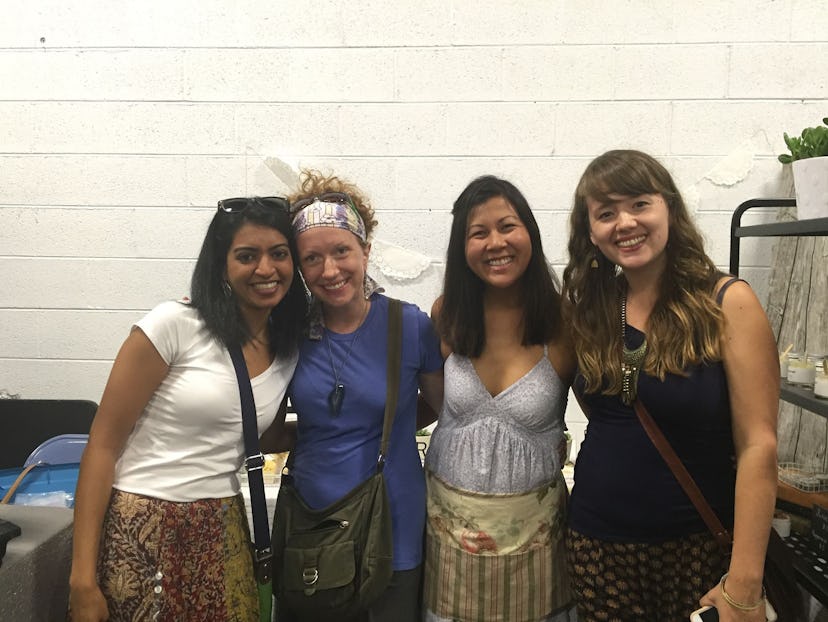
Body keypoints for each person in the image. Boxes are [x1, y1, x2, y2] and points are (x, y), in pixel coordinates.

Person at [562, 150, 780, 622]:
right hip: (597, 550)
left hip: (698, 553)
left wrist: (745, 579)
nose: (624, 222)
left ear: (669, 208)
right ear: (590, 233)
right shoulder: (591, 310)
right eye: (605, 213)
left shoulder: (727, 303)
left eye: (639, 204)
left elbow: (759, 445)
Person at [68, 197, 308, 622]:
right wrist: (82, 580)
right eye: (247, 256)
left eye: (279, 254)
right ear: (221, 266)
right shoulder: (173, 325)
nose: (266, 269)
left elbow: (253, 434)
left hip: (223, 527)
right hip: (142, 528)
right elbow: (102, 446)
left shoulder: (287, 348)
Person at [273, 170, 444, 622]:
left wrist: (385, 430)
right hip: (313, 525)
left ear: (366, 251)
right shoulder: (288, 334)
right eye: (312, 258)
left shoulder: (409, 326)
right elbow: (266, 425)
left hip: (393, 522)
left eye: (342, 251)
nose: (329, 271)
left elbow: (441, 406)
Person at [423, 175, 577, 622]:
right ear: (461, 246)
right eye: (478, 232)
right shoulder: (446, 313)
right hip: (450, 545)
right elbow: (428, 401)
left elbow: (608, 420)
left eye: (507, 226)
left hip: (536, 545)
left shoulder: (564, 321)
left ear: (529, 231)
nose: (496, 243)